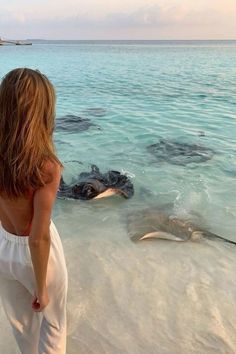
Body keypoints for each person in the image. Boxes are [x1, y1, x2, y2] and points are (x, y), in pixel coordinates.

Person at [0, 68, 68, 354]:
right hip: (35, 255)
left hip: (3, 247)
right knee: (52, 326)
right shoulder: (46, 166)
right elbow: (38, 237)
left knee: (21, 325)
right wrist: (41, 287)